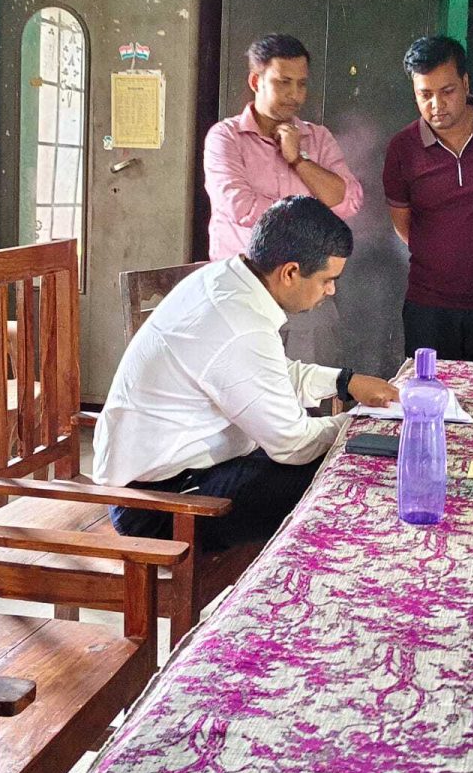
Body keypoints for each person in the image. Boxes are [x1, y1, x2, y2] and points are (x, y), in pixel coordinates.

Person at [94, 196, 397, 549]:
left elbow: (266, 373)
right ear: (290, 273)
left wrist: (345, 381)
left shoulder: (225, 278)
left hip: (187, 472)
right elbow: (293, 444)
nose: (331, 290)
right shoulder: (238, 324)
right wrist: (358, 425)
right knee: (337, 477)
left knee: (333, 459)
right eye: (327, 280)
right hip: (159, 505)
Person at [203, 34, 364, 365]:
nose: (295, 94)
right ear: (256, 81)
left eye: (301, 84)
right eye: (283, 82)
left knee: (314, 387)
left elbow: (348, 201)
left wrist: (299, 160)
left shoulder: (317, 139)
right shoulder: (226, 137)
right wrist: (312, 216)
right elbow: (240, 206)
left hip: (306, 293)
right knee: (244, 388)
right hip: (242, 291)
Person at [382, 36, 473, 362]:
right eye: (425, 95)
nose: (436, 105)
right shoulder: (403, 148)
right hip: (429, 307)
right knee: (428, 389)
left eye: (447, 91)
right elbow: (404, 226)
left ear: (465, 83)